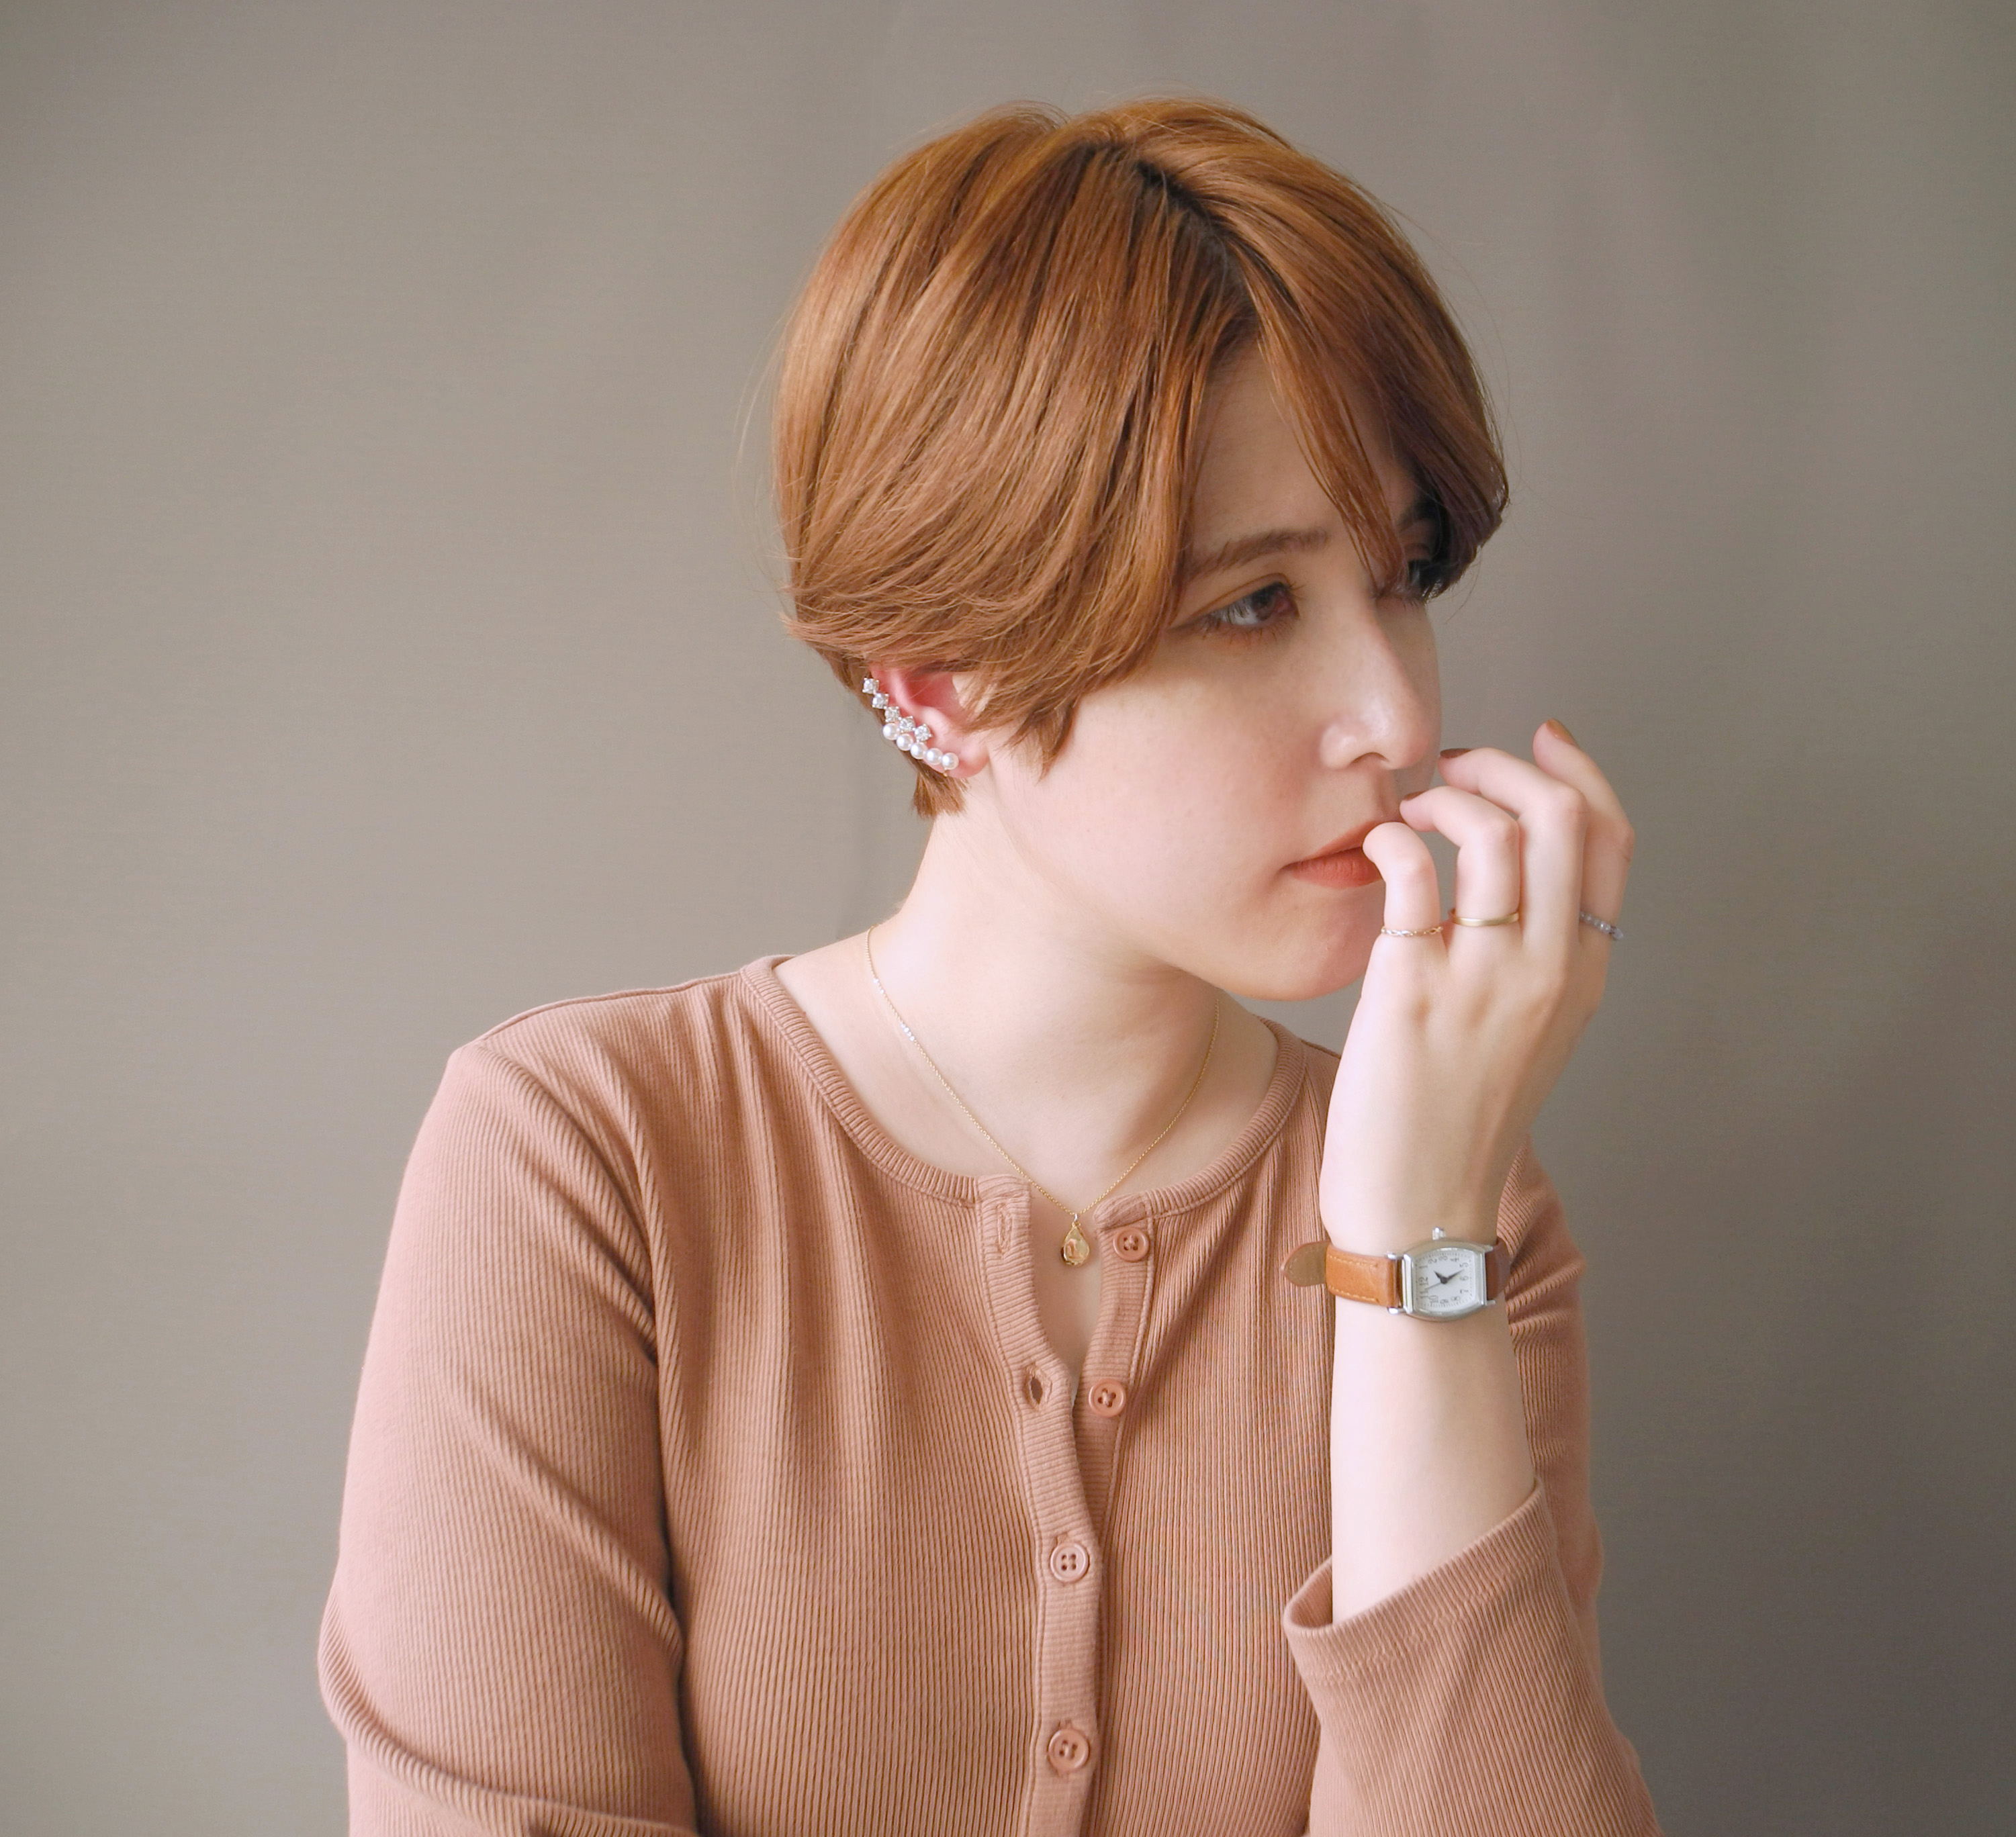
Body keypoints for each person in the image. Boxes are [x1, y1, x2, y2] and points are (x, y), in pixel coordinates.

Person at [319, 98, 1659, 1836]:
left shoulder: (1463, 1213)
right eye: (1252, 604)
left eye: (1403, 577)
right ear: (939, 678)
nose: (1394, 715)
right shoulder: (594, 1157)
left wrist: (1413, 1258)